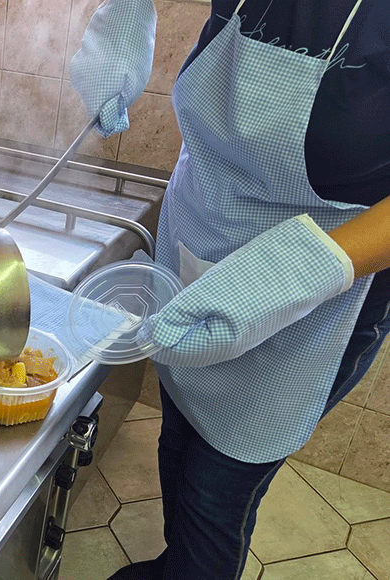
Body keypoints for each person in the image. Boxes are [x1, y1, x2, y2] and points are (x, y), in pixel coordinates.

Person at [70, 0, 390, 578]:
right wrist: (124, 15)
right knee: (180, 434)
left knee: (217, 490)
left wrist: (300, 272)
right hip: (199, 238)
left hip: (315, 294)